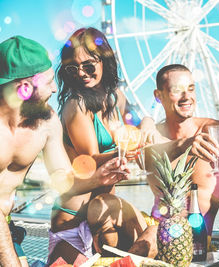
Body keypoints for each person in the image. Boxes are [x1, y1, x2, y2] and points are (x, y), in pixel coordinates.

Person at [0, 36, 128, 266]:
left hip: (6, 224)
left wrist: (98, 178)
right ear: (25, 89)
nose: (55, 87)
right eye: (48, 82)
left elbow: (63, 179)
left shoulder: (46, 120)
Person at [49, 27, 160, 262]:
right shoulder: (75, 105)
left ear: (104, 60)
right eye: (73, 68)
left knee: (154, 239)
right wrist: (128, 150)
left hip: (103, 216)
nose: (81, 74)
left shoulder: (116, 98)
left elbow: (140, 126)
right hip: (73, 222)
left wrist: (148, 124)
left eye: (88, 66)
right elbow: (90, 162)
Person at [147, 64, 219, 242]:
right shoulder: (152, 135)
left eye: (191, 89)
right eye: (177, 90)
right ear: (158, 95)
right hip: (156, 236)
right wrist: (185, 144)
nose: (187, 97)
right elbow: (144, 156)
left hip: (197, 240)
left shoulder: (214, 131)